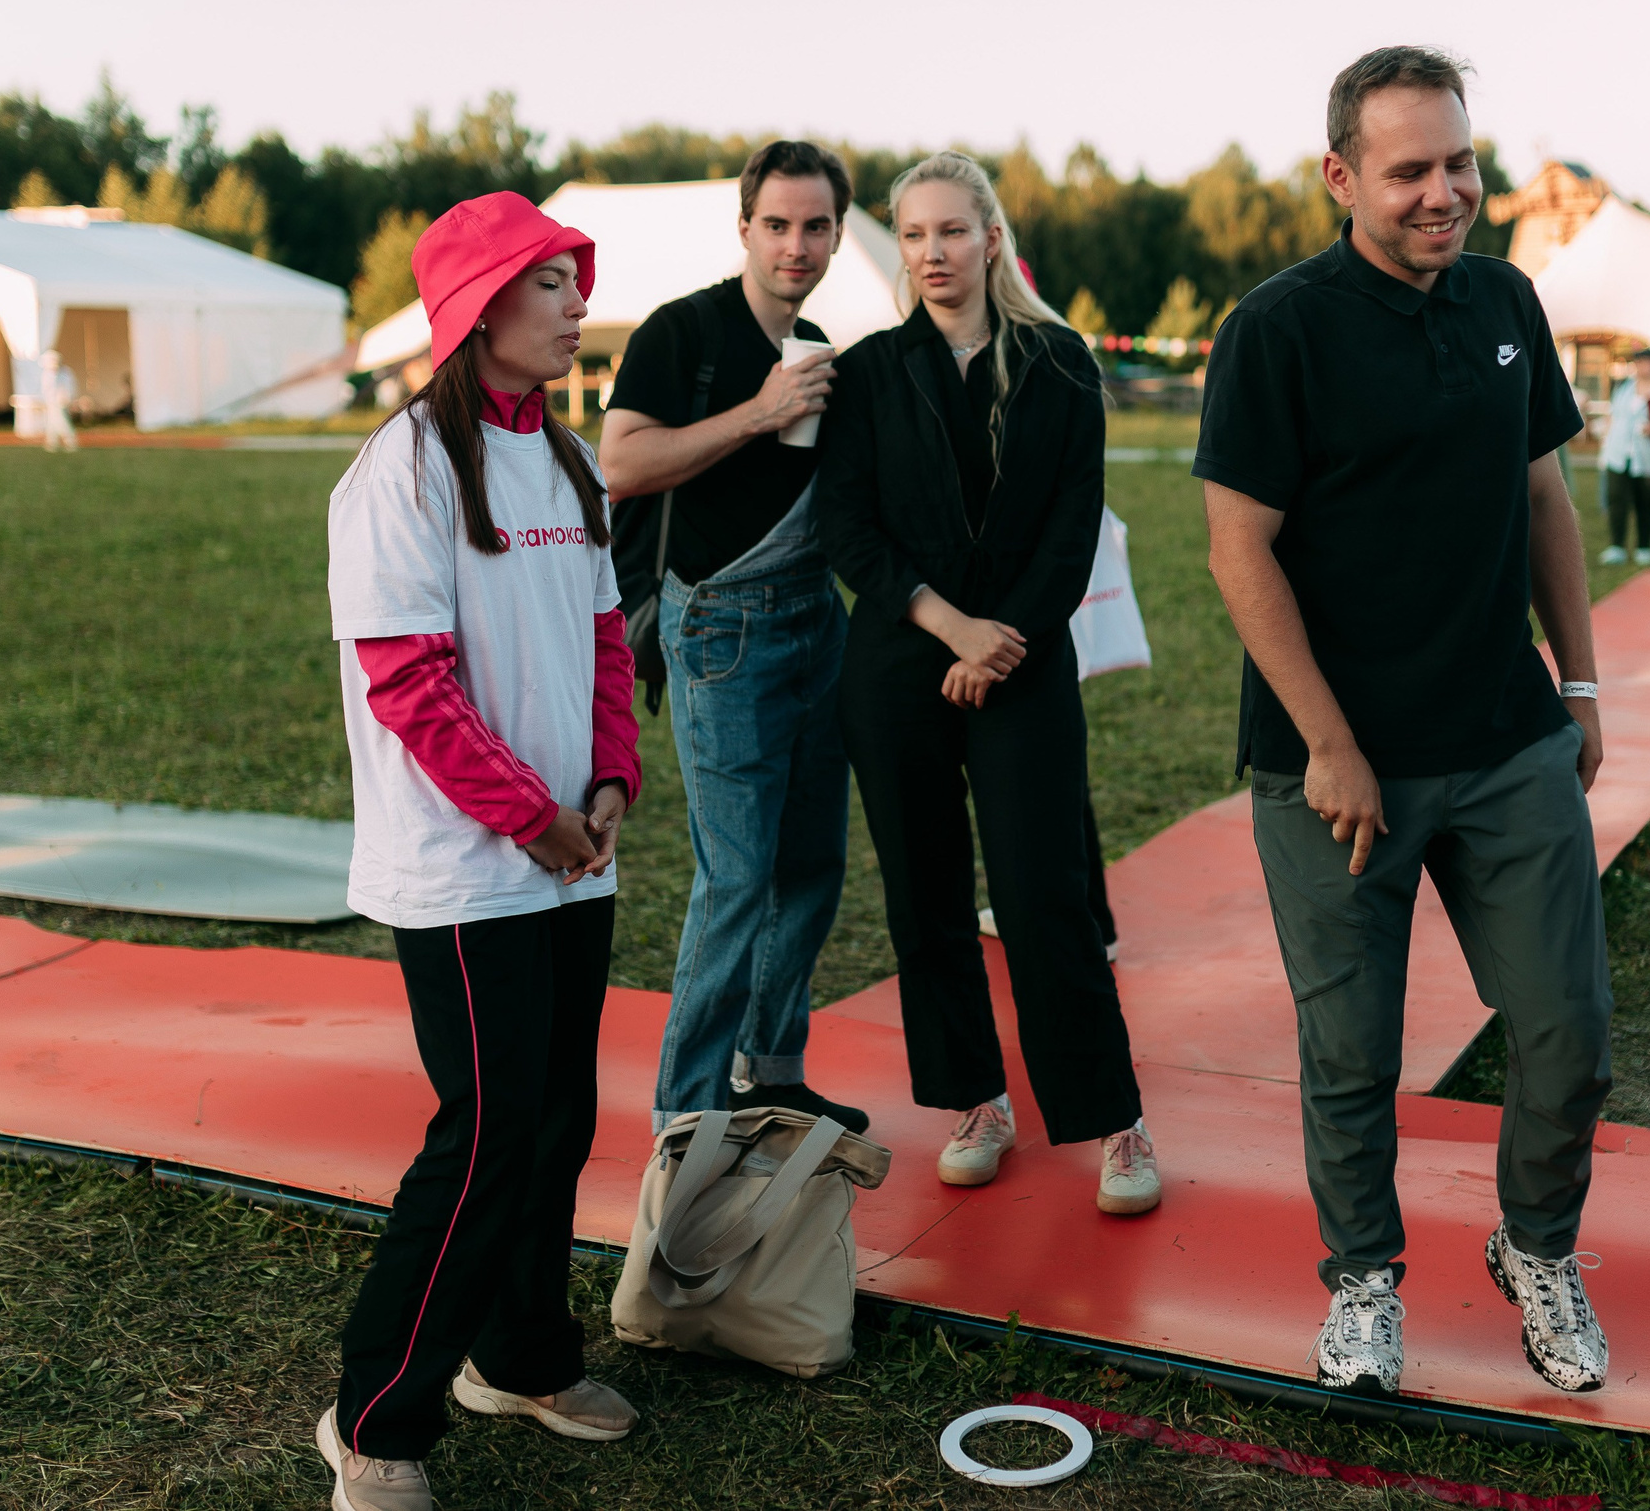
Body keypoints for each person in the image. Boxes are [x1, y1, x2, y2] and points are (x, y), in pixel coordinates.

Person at [1198, 46, 1613, 1397]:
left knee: (1568, 1029)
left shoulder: (1507, 301)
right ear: (1340, 177)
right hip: (1333, 764)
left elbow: (1544, 498)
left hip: (1503, 734)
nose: (1445, 193)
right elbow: (1238, 549)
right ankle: (1364, 1280)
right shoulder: (1279, 328)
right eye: (1409, 171)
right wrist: (1329, 741)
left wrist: (1580, 683)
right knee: (1352, 1053)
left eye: (1460, 162)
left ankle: (1536, 1245)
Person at [318, 192, 643, 1509]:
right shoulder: (398, 471)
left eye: (574, 279)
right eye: (550, 282)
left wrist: (609, 779)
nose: (577, 303)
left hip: (573, 853)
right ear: (480, 306)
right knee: (489, 1131)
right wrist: (532, 815)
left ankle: (520, 1357)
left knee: (555, 1121)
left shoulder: (569, 462)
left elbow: (609, 640)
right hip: (466, 869)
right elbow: (410, 680)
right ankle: (374, 1420)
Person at [816, 151, 1160, 1216]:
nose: (933, 252)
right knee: (925, 898)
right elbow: (849, 529)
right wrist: (949, 626)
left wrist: (1001, 641)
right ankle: (977, 1100)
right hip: (898, 665)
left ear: (991, 238)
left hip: (1024, 661)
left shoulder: (1059, 361)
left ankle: (1113, 1116)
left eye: (952, 231)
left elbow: (1072, 526)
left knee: (1043, 894)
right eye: (915, 234)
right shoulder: (871, 373)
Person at [600, 141, 866, 1135]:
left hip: (815, 618)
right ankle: (687, 1114)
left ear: (837, 234)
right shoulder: (683, 332)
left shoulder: (817, 341)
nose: (797, 245)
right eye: (778, 224)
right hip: (720, 623)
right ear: (745, 227)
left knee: (813, 867)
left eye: (816, 226)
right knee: (738, 878)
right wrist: (759, 413)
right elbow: (619, 465)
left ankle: (772, 1071)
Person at [1595, 347, 1650, 565]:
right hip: (1619, 453)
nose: (1642, 367)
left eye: (1645, 362)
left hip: (1648, 456)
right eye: (1638, 362)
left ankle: (1644, 546)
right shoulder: (1625, 388)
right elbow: (1614, 416)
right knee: (1617, 499)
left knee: (1646, 501)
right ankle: (1617, 545)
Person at [38, 351, 78, 453]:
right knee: (51, 422)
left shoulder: (65, 372)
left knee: (61, 421)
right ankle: (52, 442)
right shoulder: (47, 374)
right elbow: (46, 390)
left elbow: (70, 386)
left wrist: (68, 398)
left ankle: (70, 441)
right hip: (51, 401)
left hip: (60, 401)